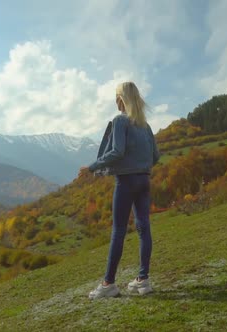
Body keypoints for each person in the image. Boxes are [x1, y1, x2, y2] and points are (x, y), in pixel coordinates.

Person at [82, 81, 160, 299]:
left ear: (121, 99)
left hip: (126, 182)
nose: (115, 101)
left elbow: (116, 151)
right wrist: (141, 165)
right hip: (144, 180)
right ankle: (143, 281)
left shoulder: (120, 121)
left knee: (118, 231)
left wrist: (93, 166)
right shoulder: (146, 126)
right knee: (144, 227)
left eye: (116, 97)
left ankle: (108, 284)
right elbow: (156, 156)